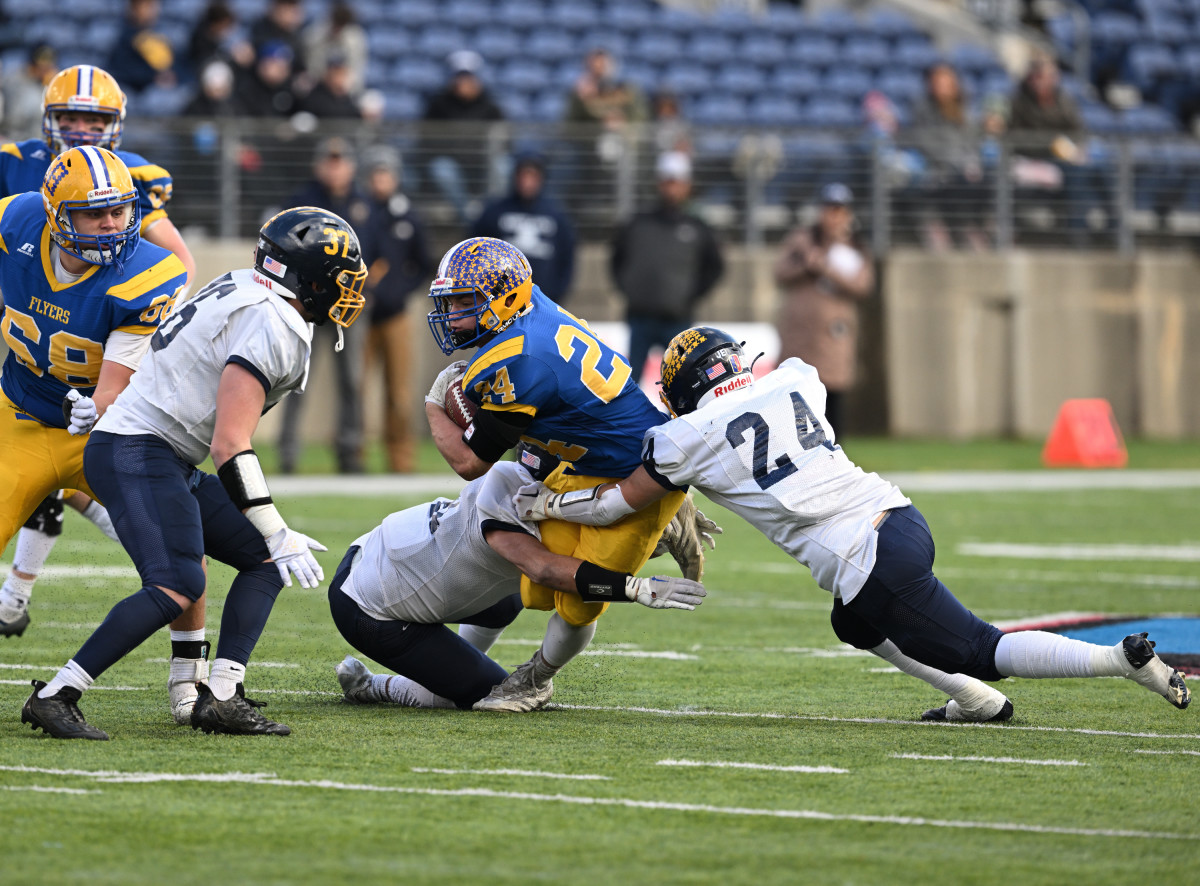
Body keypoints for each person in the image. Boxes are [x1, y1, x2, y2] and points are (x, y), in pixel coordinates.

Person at [516, 327, 1192, 721]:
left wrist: (546, 505)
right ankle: (975, 704)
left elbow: (614, 506)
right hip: (899, 519)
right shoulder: (797, 379)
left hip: (865, 556)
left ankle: (1118, 662)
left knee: (981, 645)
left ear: (684, 385)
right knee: (854, 623)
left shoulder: (685, 435)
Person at [21, 206, 369, 740]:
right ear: (310, 278)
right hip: (139, 449)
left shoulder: (243, 287)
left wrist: (271, 539)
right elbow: (231, 445)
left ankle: (222, 695)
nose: (347, 292)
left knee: (262, 560)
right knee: (180, 581)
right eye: (342, 279)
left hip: (156, 449)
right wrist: (278, 529)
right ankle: (57, 693)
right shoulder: (274, 320)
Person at [0, 65, 203, 720]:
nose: (113, 225)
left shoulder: (146, 272)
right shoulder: (19, 213)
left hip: (106, 432)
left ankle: (195, 683)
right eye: (94, 215)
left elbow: (171, 290)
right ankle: (15, 596)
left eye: (121, 211)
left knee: (181, 552)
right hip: (24, 416)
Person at [424, 237, 698, 712]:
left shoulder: (515, 361)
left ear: (506, 296)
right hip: (585, 460)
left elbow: (470, 463)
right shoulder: (535, 306)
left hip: (627, 476)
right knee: (530, 574)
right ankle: (459, 667)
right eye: (448, 304)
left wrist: (432, 405)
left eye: (464, 302)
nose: (453, 316)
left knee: (576, 599)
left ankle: (536, 679)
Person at [331, 450, 704, 710]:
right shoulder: (505, 510)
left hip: (378, 550)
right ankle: (372, 687)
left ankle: (454, 658)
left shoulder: (524, 481)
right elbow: (549, 570)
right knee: (482, 693)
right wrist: (633, 588)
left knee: (511, 597)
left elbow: (591, 508)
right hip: (369, 607)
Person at [276, 137, 373, 474]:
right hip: (310, 301)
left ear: (351, 166)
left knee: (352, 380)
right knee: (297, 375)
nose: (335, 169)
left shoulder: (362, 201)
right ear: (319, 166)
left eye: (341, 162)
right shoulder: (303, 202)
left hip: (350, 304)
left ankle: (351, 453)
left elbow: (372, 250)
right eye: (330, 162)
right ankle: (287, 453)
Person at [610, 151, 724, 384]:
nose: (672, 188)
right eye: (667, 181)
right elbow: (616, 259)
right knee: (629, 383)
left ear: (687, 185)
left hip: (678, 319)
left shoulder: (698, 227)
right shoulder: (637, 223)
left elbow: (714, 267)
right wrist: (631, 291)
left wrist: (688, 296)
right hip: (640, 317)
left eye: (677, 182)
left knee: (682, 382)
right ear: (659, 183)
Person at [773, 183, 873, 435]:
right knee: (792, 397)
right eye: (829, 209)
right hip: (799, 335)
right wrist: (806, 265)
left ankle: (832, 456)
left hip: (832, 336)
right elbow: (779, 272)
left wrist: (825, 267)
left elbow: (862, 286)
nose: (833, 216)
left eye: (839, 210)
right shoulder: (801, 240)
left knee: (832, 398)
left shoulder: (855, 248)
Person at [359, 144, 433, 473]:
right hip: (358, 313)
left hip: (396, 315)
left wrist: (398, 290)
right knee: (356, 390)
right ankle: (354, 458)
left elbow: (424, 263)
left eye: (386, 173)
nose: (381, 180)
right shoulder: (357, 212)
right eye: (376, 173)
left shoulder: (407, 216)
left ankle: (400, 460)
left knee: (400, 392)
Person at [1008, 55, 1109, 244]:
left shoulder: (1064, 100)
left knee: (1097, 173)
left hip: (1065, 157)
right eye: (1038, 76)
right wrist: (1050, 144)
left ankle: (1108, 229)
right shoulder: (1020, 101)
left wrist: (1073, 149)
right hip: (1036, 157)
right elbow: (1016, 137)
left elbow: (1078, 131)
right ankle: (1078, 237)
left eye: (1047, 76)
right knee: (1077, 177)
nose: (1042, 81)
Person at [471, 151, 576, 305]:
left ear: (541, 179)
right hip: (500, 302)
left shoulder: (556, 215)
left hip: (544, 301)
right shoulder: (495, 211)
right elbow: (475, 250)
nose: (527, 182)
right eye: (523, 176)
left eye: (532, 176)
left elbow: (567, 257)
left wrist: (556, 294)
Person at [911, 63, 991, 250]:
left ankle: (976, 228)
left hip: (965, 171)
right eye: (937, 82)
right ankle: (951, 228)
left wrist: (972, 163)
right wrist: (960, 164)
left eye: (946, 82)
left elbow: (974, 141)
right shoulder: (923, 110)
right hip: (936, 170)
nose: (941, 87)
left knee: (987, 178)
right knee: (957, 181)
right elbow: (926, 143)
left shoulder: (965, 110)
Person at [421, 50, 506, 226]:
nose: (464, 82)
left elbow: (505, 139)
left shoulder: (490, 106)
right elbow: (426, 142)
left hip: (482, 166)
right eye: (459, 76)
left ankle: (493, 212)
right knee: (442, 169)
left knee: (503, 166)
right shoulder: (439, 106)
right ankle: (472, 220)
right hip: (455, 166)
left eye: (468, 76)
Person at [104, 0, 179, 95]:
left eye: (153, 7)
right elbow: (121, 71)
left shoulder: (159, 37)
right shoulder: (124, 37)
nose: (152, 11)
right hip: (130, 91)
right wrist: (153, 77)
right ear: (133, 9)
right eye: (146, 7)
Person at [303, 0, 367, 97]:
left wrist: (343, 83)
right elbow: (311, 66)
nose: (338, 28)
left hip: (346, 89)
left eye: (342, 24)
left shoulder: (355, 38)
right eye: (336, 23)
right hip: (319, 85)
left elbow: (357, 70)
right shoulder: (317, 34)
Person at [2, 44, 57, 141]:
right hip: (12, 138)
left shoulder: (54, 86)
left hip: (40, 142)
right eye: (40, 67)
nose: (44, 71)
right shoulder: (13, 83)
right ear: (31, 65)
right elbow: (13, 120)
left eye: (48, 67)